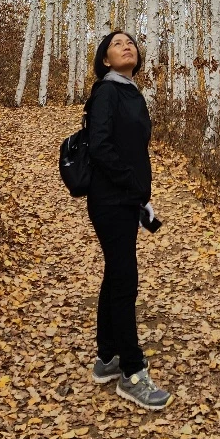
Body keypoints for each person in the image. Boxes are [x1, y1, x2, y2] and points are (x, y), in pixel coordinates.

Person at [86, 29, 171, 411]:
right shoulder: (107, 91)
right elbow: (100, 146)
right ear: (105, 59)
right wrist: (133, 187)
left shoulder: (131, 92)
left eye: (131, 42)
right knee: (124, 281)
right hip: (110, 199)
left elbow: (133, 151)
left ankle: (107, 357)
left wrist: (141, 197)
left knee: (116, 275)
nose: (127, 46)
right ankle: (132, 373)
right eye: (117, 44)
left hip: (124, 199)